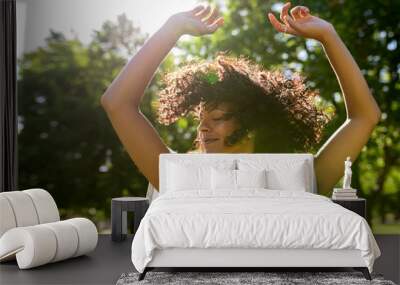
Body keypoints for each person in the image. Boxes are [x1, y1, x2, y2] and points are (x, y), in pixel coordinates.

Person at [100, 2, 381, 197]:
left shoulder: (295, 176)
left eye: (218, 118)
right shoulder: (179, 172)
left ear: (254, 121)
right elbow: (117, 103)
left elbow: (364, 117)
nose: (202, 128)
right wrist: (171, 28)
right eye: (201, 120)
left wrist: (327, 36)